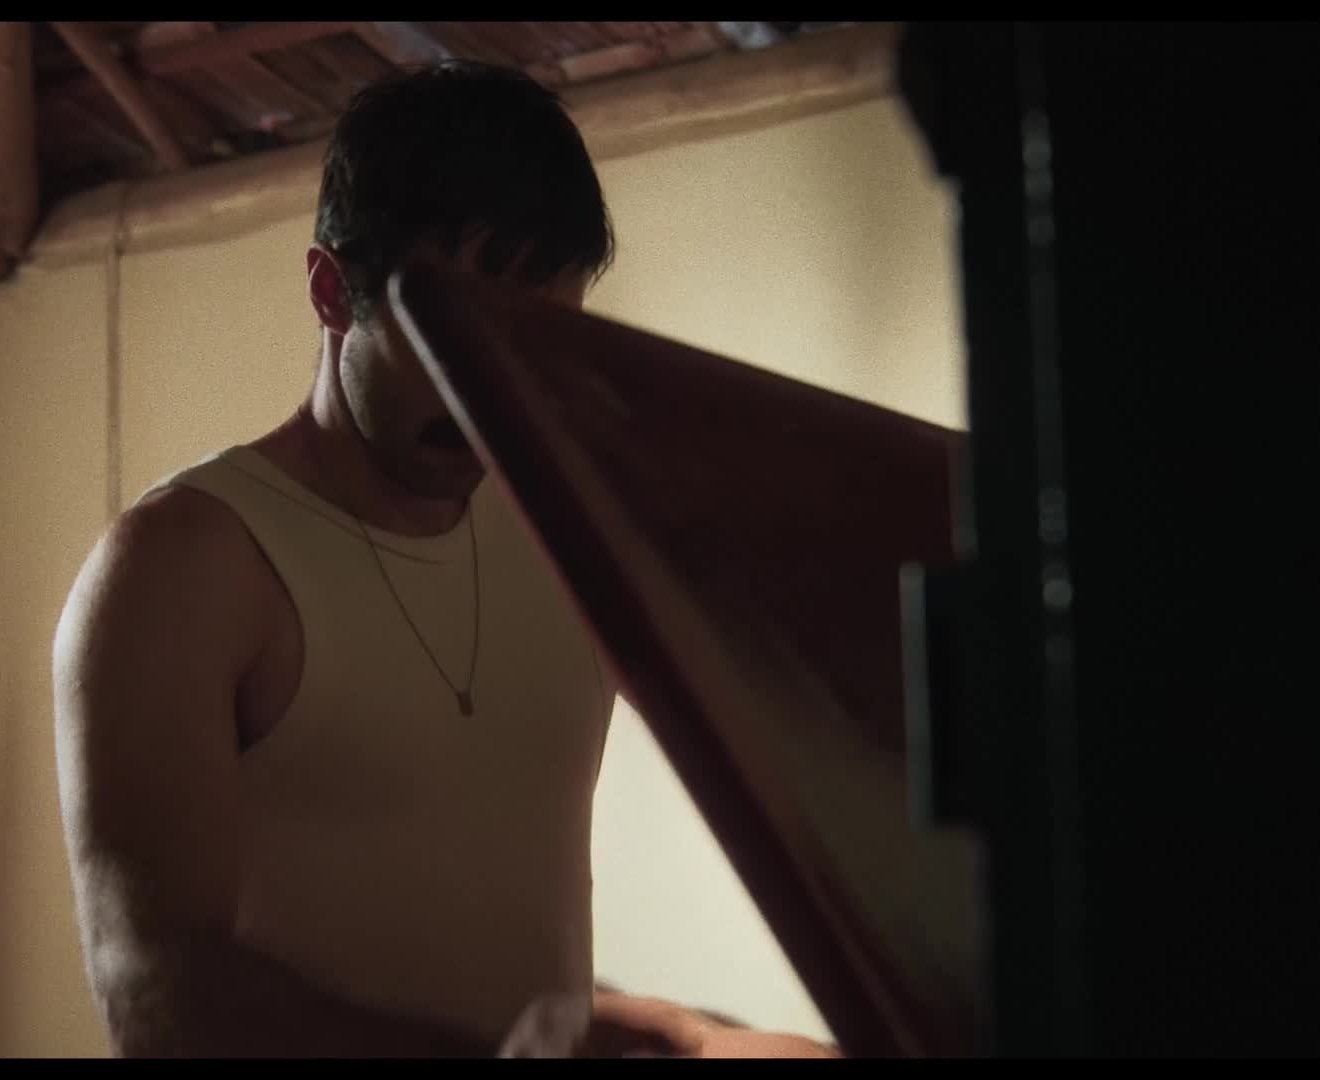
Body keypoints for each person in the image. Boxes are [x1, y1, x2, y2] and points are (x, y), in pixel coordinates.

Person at [53, 60, 838, 1059]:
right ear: (332, 292)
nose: (492, 393)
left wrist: (686, 1035)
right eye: (457, 340)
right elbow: (160, 1000)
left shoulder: (571, 531)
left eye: (533, 344)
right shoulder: (186, 565)